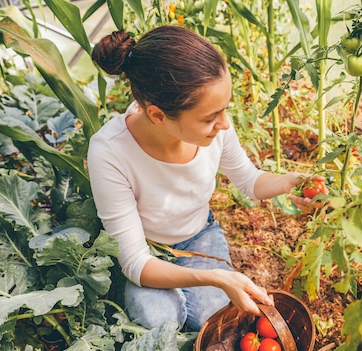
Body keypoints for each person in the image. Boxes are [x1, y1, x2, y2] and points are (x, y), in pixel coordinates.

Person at [88, 25, 319, 332]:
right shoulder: (110, 152)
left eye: (224, 111)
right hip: (149, 251)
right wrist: (216, 277)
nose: (223, 124)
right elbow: (136, 262)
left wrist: (291, 181)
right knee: (160, 322)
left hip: (200, 236)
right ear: (158, 115)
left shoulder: (215, 124)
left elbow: (249, 180)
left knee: (214, 322)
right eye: (210, 118)